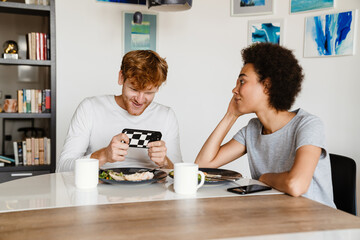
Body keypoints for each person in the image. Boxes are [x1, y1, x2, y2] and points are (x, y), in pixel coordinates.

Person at [195, 43, 335, 208]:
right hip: (276, 217)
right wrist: (230, 115)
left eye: (242, 81)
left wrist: (263, 178)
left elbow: (296, 185)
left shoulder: (308, 125)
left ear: (267, 86)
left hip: (317, 225)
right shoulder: (252, 129)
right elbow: (203, 164)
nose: (235, 89)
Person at [57, 50, 182, 172]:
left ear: (157, 88)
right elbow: (62, 168)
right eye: (134, 89)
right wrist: (103, 155)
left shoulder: (166, 116)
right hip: (100, 191)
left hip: (152, 191)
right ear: (121, 77)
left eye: (149, 92)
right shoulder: (90, 108)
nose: (140, 99)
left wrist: (165, 162)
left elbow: (180, 173)